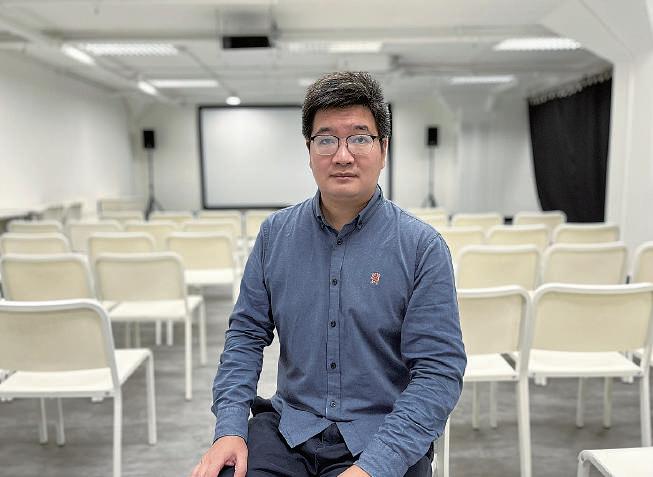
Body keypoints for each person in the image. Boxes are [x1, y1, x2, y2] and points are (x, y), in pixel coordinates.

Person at [190, 71, 466, 477]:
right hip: (289, 429)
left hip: (382, 435)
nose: (342, 155)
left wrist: (376, 466)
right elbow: (245, 336)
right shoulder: (275, 235)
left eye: (360, 138)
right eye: (326, 140)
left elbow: (438, 372)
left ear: (384, 148)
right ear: (309, 150)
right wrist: (229, 429)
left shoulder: (422, 248)